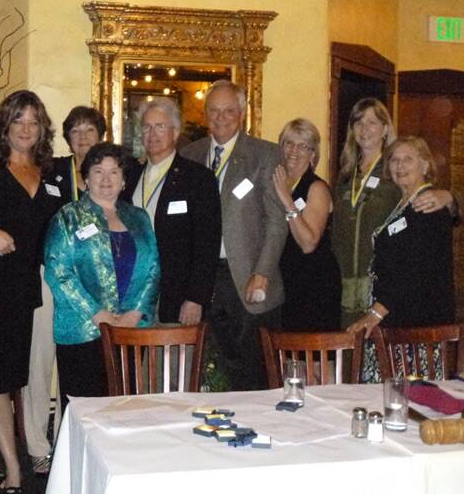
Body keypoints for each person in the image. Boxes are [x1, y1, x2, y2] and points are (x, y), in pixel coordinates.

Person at [0, 90, 62, 492]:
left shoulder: (53, 175)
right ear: (4, 126)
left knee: (9, 378)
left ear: (42, 128)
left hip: (30, 288)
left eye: (33, 121)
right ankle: (14, 466)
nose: (26, 128)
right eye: (18, 120)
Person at [180, 79, 287, 391]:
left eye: (229, 110)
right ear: (205, 114)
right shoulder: (190, 154)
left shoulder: (264, 154)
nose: (221, 117)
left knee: (251, 371)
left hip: (247, 277)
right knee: (207, 366)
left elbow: (276, 221)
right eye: (214, 110)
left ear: (242, 113)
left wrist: (263, 272)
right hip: (203, 277)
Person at [20, 105, 107, 475]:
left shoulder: (112, 173)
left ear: (102, 136)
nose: (83, 137)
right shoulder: (50, 171)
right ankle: (38, 446)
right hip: (48, 278)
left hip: (92, 286)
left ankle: (78, 443)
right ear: (67, 138)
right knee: (39, 360)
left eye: (90, 130)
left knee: (84, 366)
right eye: (76, 131)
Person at [44, 142, 160, 403]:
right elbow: (58, 271)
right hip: (83, 330)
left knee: (123, 410)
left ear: (123, 181)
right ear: (86, 179)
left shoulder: (140, 218)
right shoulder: (67, 217)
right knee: (85, 412)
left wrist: (134, 314)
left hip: (130, 330)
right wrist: (98, 314)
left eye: (114, 172)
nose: (106, 179)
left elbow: (153, 267)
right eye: (98, 171)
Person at [331, 98, 455, 330]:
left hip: (402, 306)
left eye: (372, 122)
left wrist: (450, 198)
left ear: (385, 128)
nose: (365, 129)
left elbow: (419, 258)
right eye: (359, 122)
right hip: (355, 292)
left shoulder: (409, 193)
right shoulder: (346, 175)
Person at [347, 137, 456, 369]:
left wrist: (377, 313)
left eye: (408, 159)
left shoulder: (429, 204)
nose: (400, 166)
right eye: (394, 160)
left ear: (426, 166)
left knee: (406, 397)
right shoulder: (403, 203)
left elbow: (417, 269)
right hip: (396, 315)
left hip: (415, 322)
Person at [122, 98, 221, 326]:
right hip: (133, 294)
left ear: (175, 133)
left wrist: (196, 298)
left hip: (176, 295)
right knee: (134, 361)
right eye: (146, 127)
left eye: (160, 127)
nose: (152, 133)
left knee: (173, 361)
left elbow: (207, 243)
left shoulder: (197, 178)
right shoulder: (130, 175)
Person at [272, 118, 342, 331]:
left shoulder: (316, 188)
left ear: (313, 154)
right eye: (289, 143)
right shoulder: (277, 182)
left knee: (315, 358)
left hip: (314, 283)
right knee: (290, 357)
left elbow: (308, 243)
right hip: (285, 282)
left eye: (303, 146)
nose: (294, 151)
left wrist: (287, 200)